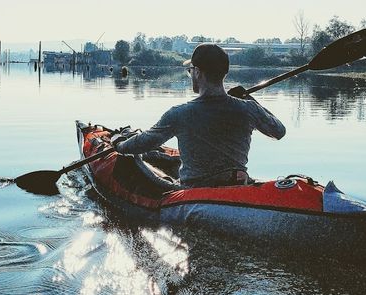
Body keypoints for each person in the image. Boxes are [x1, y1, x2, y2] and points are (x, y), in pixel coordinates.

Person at [112, 43, 286, 187]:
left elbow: (143, 143)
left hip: (194, 192)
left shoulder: (179, 114)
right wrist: (251, 100)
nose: (190, 75)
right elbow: (278, 131)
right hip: (236, 186)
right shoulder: (248, 109)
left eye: (190, 71)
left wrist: (119, 144)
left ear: (197, 72)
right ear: (224, 73)